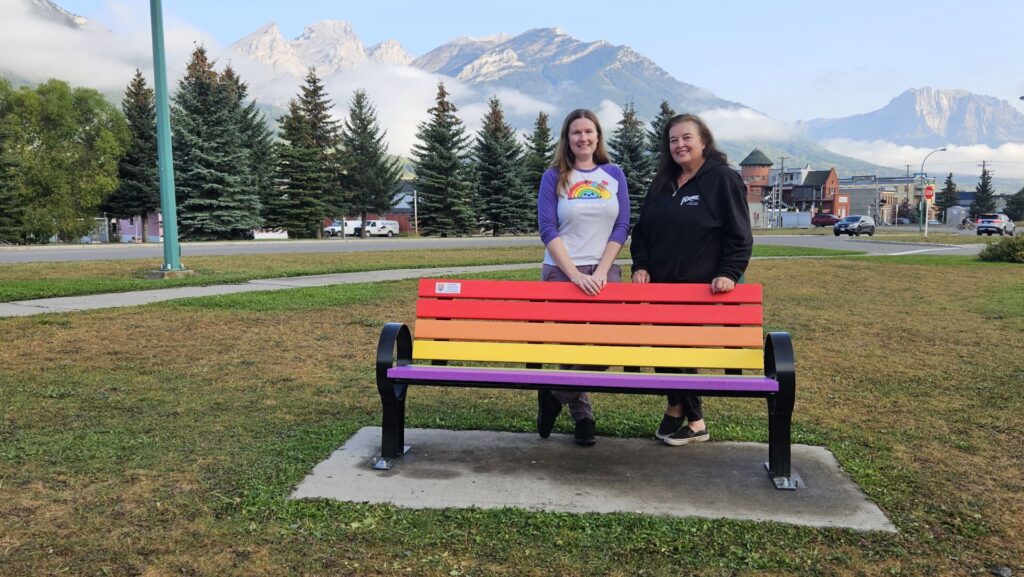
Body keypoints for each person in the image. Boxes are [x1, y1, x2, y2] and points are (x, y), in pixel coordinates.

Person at [630, 113, 752, 446]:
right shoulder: (663, 183)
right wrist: (640, 265)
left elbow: (739, 234)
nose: (679, 145)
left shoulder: (722, 179)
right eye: (673, 140)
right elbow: (641, 232)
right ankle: (675, 410)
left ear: (703, 141)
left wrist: (729, 272)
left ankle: (695, 421)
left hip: (699, 290)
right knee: (664, 350)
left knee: (678, 351)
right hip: (660, 288)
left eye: (686, 138)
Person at [536, 108, 630, 446]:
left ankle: (554, 394)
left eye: (589, 131)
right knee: (571, 346)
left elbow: (622, 226)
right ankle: (583, 418)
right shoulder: (555, 176)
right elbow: (547, 228)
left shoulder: (613, 174)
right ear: (567, 138)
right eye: (576, 132)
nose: (583, 137)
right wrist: (573, 274)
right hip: (562, 270)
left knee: (614, 344)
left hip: (604, 268)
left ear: (598, 136)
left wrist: (603, 269)